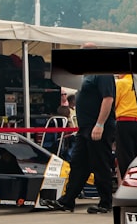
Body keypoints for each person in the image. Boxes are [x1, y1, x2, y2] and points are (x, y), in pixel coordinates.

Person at [42, 44, 116, 214]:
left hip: (97, 126)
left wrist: (100, 124)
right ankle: (67, 200)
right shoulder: (85, 74)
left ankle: (105, 202)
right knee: (78, 164)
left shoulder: (103, 72)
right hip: (84, 128)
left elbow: (108, 99)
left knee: (100, 164)